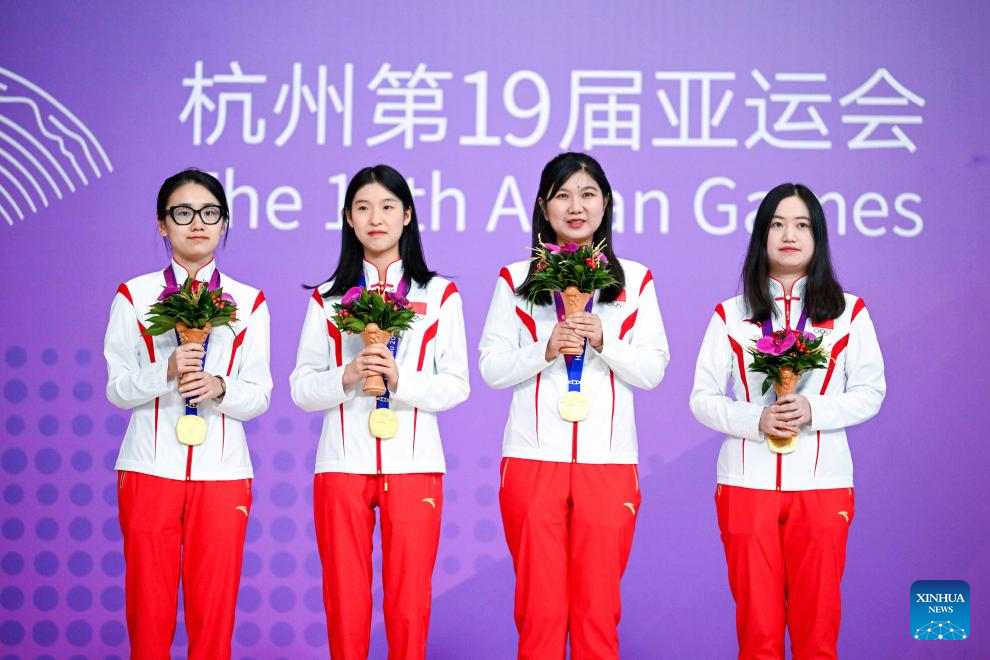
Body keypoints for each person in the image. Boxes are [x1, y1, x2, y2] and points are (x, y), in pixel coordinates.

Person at [478, 152, 669, 659]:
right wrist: (544, 348)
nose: (576, 206)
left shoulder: (635, 280)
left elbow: (652, 370)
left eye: (588, 194)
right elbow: (492, 369)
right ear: (544, 207)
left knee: (597, 614)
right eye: (562, 195)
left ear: (606, 203)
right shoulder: (515, 279)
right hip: (532, 461)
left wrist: (606, 340)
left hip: (607, 466)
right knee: (539, 614)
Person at [690, 183, 886, 660]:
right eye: (776, 224)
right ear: (762, 237)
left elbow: (871, 392)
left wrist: (814, 411)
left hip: (823, 487)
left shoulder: (848, 313)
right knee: (757, 634)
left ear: (818, 237)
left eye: (801, 224)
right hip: (745, 485)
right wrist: (756, 419)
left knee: (818, 632)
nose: (789, 235)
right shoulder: (731, 316)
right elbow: (702, 399)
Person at [290, 164, 469, 659]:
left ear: (407, 215)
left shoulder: (439, 296)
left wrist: (401, 380)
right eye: (363, 207)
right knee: (344, 601)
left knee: (409, 603)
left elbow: (456, 385)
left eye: (388, 206)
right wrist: (347, 376)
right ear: (348, 219)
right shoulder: (326, 300)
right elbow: (301, 389)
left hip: (414, 467)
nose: (376, 218)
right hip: (341, 466)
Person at [104, 168, 272, 659]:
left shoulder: (248, 302)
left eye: (209, 213)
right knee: (148, 614)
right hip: (149, 469)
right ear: (162, 224)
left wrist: (220, 387)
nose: (196, 223)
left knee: (213, 616)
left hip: (222, 475)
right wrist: (165, 371)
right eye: (182, 213)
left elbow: (259, 394)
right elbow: (117, 388)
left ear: (224, 224)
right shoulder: (133, 297)